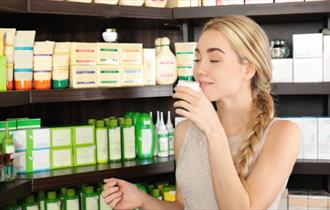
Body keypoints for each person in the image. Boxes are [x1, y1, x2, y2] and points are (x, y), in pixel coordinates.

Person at [102, 15, 300, 210]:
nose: (200, 70)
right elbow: (184, 206)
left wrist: (213, 130)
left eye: (214, 59)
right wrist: (142, 200)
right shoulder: (184, 132)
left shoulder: (282, 134)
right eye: (197, 58)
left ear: (248, 69)